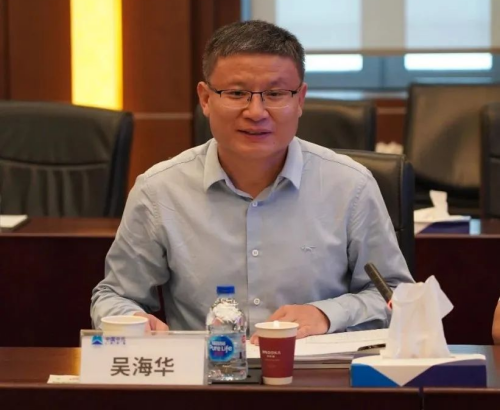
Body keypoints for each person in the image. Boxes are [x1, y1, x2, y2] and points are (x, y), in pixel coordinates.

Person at [91, 20, 413, 339]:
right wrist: (132, 320)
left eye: (275, 93)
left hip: (315, 369)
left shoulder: (350, 186)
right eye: (236, 93)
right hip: (207, 370)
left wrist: (326, 315)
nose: (256, 112)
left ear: (300, 100)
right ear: (205, 99)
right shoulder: (158, 191)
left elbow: (397, 296)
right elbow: (114, 295)